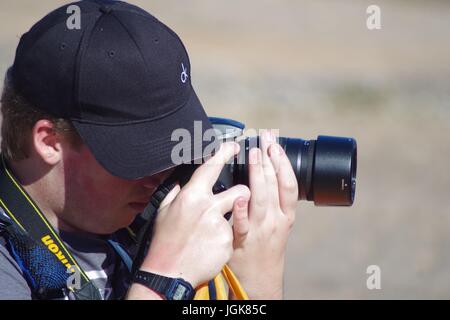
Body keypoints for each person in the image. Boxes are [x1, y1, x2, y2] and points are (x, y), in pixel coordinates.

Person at [0, 0, 298, 300]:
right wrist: (161, 279)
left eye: (174, 147)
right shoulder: (9, 267)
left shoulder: (142, 227)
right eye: (140, 154)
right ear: (49, 141)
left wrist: (255, 282)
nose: (162, 175)